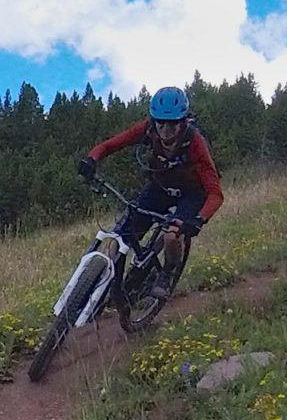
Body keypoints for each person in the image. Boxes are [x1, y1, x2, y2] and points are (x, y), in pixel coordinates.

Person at [77, 86, 223, 281]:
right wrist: (92, 159)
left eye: (173, 124)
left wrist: (199, 219)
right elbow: (110, 145)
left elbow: (215, 193)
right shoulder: (148, 129)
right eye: (160, 123)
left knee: (172, 236)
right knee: (119, 238)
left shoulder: (195, 143)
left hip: (192, 193)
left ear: (183, 122)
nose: (165, 130)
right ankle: (101, 286)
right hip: (160, 188)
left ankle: (167, 273)